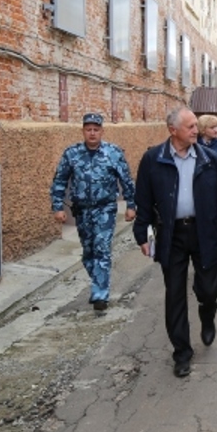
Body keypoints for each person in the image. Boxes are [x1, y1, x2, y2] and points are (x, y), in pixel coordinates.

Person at [133, 107, 217, 378]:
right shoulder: (152, 159)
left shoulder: (210, 159)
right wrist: (141, 234)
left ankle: (207, 314)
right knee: (175, 295)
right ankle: (182, 352)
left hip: (205, 231)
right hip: (172, 235)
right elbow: (143, 201)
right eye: (190, 126)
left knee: (207, 290)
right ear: (173, 130)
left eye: (196, 125)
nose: (196, 130)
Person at [50, 112, 136, 312]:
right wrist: (57, 207)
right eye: (88, 129)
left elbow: (126, 180)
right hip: (81, 210)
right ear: (83, 131)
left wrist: (131, 205)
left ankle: (100, 295)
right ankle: (98, 280)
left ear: (102, 131)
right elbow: (60, 180)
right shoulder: (72, 153)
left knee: (102, 249)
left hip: (105, 208)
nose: (92, 133)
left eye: (96, 130)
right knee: (88, 253)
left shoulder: (113, 152)